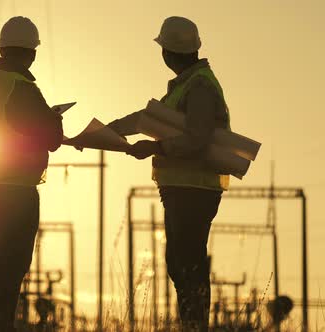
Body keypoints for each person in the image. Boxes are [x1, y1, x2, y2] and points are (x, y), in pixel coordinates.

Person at [108, 16, 230, 331]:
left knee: (187, 265)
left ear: (168, 52)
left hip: (194, 189)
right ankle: (191, 324)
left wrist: (155, 149)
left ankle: (194, 325)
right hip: (181, 189)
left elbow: (198, 138)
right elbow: (147, 119)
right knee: (181, 263)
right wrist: (107, 132)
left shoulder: (199, 86)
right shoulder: (186, 86)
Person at [0, 16, 63, 332]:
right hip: (17, 190)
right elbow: (51, 139)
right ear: (32, 53)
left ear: (1, 47)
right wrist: (53, 118)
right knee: (12, 266)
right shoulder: (24, 89)